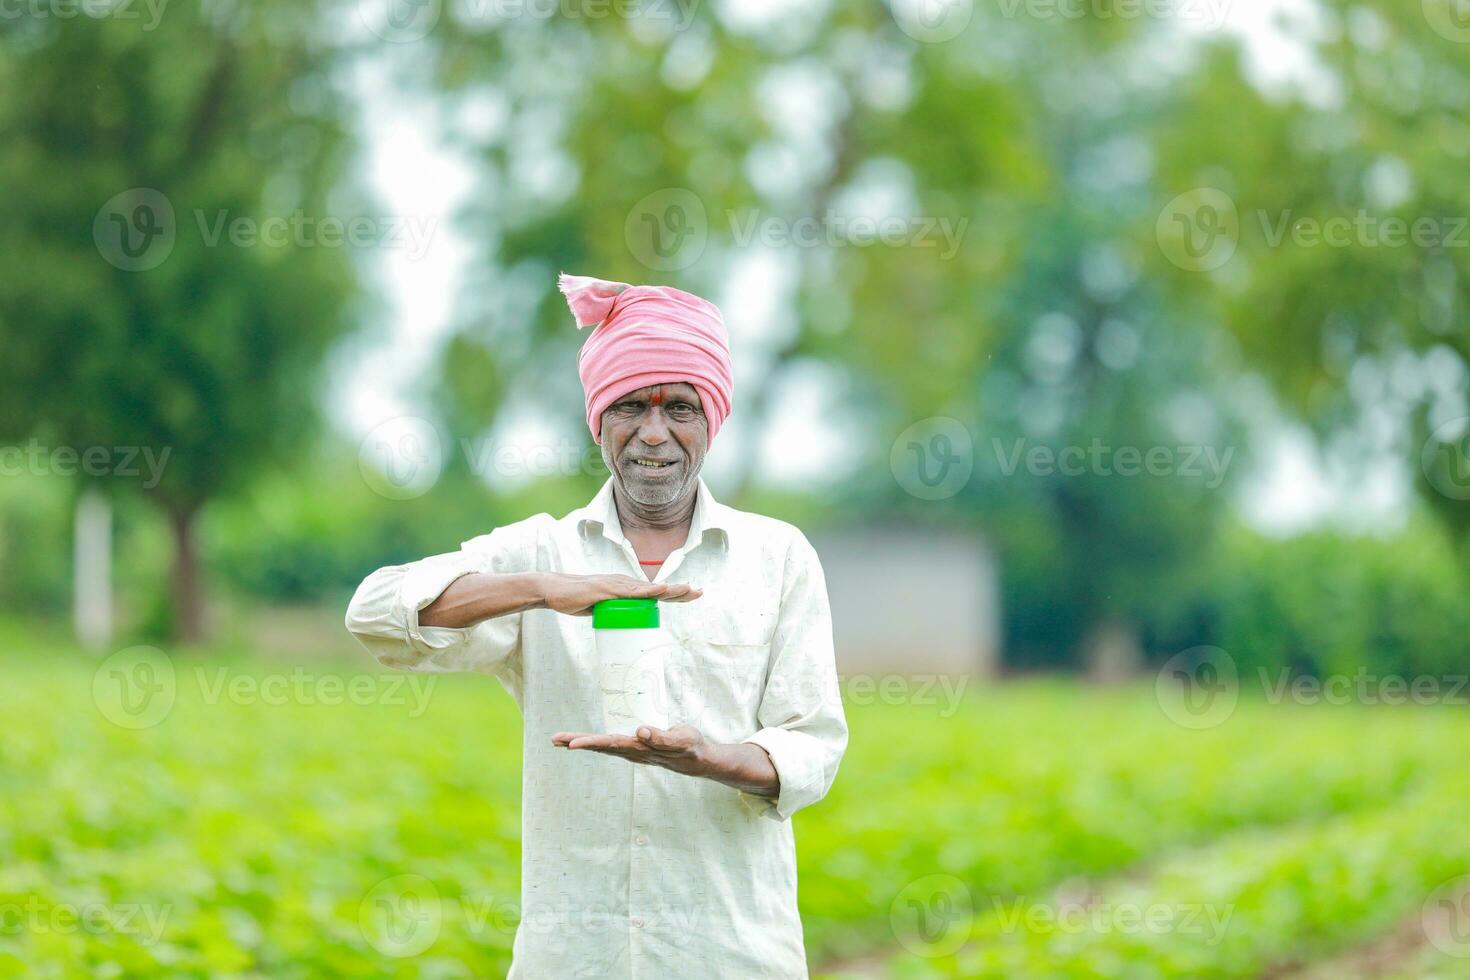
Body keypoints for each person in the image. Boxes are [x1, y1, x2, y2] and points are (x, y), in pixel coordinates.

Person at [345, 273, 848, 978]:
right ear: (599, 420)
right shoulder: (543, 552)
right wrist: (545, 591)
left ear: (712, 420)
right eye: (629, 406)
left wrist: (707, 757)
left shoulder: (777, 557)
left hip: (733, 955)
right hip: (574, 959)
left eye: (680, 407)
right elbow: (374, 615)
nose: (653, 432)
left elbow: (812, 747)